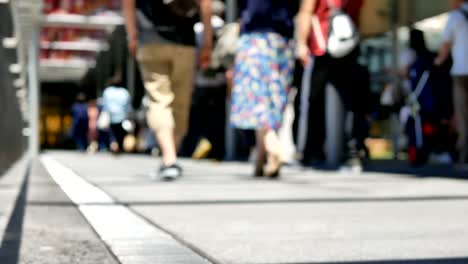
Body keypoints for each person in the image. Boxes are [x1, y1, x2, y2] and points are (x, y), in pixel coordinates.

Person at [123, 0, 213, 180]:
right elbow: (206, 4)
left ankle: (169, 158)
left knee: (158, 100)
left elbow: (128, 4)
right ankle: (170, 156)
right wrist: (207, 42)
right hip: (184, 41)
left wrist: (132, 35)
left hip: (150, 40)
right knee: (181, 102)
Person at [230, 0, 298, 178]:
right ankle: (261, 160)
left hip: (254, 36)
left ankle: (272, 145)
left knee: (256, 98)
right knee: (273, 98)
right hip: (284, 37)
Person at [296, 0, 364, 166]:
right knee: (351, 102)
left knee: (316, 101)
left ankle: (312, 151)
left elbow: (306, 11)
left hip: (323, 46)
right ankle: (352, 151)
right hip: (347, 46)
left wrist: (301, 43)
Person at [435, 0, 468, 170]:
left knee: (463, 115)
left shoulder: (455, 17)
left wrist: (437, 62)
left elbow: (444, 48)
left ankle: (464, 157)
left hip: (462, 72)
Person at [102, 76, 131, 153]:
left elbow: (105, 105)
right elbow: (128, 106)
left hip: (111, 116)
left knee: (111, 132)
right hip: (122, 116)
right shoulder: (125, 92)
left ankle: (113, 143)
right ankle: (118, 145)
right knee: (120, 133)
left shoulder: (107, 91)